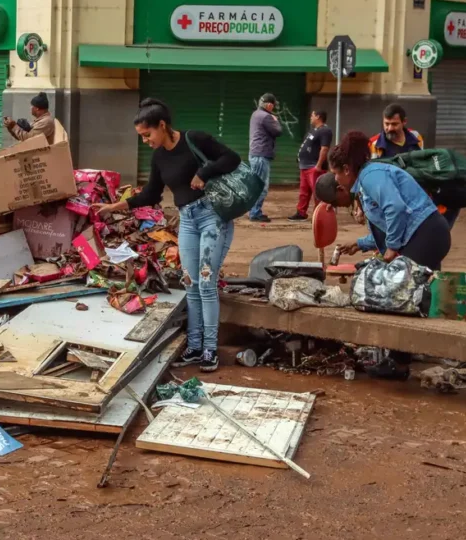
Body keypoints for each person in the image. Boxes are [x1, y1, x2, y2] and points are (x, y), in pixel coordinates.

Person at [93, 98, 241, 372]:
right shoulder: (159, 157)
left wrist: (204, 172)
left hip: (213, 217)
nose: (145, 141)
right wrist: (114, 207)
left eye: (147, 134)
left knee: (206, 284)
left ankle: (210, 349)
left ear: (162, 125)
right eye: (141, 136)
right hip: (188, 221)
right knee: (190, 284)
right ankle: (194, 346)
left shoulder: (195, 139)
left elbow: (232, 158)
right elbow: (151, 194)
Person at [315, 131, 450, 272]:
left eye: (335, 173)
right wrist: (359, 244)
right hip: (425, 234)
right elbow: (389, 227)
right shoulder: (366, 181)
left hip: (425, 233)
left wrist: (391, 247)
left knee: (400, 283)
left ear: (346, 169)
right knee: (423, 284)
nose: (336, 179)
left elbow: (395, 208)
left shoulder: (369, 175)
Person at [288, 110, 332, 221]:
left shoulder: (325, 130)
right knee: (304, 192)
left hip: (314, 167)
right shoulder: (314, 130)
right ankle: (301, 213)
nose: (310, 117)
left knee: (318, 193)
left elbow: (324, 148)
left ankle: (321, 215)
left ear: (318, 117)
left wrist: (318, 165)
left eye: (312, 115)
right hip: (305, 166)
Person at [247, 93, 283, 222]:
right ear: (268, 105)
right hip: (261, 155)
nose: (273, 108)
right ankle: (255, 213)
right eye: (273, 105)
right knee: (261, 186)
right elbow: (278, 131)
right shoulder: (266, 116)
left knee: (256, 185)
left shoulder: (255, 114)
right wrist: (275, 120)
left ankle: (254, 211)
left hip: (256, 154)